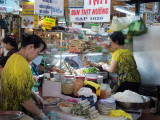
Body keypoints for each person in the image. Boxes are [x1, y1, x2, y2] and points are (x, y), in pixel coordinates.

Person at [0, 34, 48, 120]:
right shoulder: (22, 64)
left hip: (7, 110)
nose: (37, 56)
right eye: (37, 52)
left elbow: (16, 86)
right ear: (31, 47)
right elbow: (24, 100)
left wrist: (33, 94)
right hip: (16, 113)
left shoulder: (13, 57)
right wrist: (41, 115)